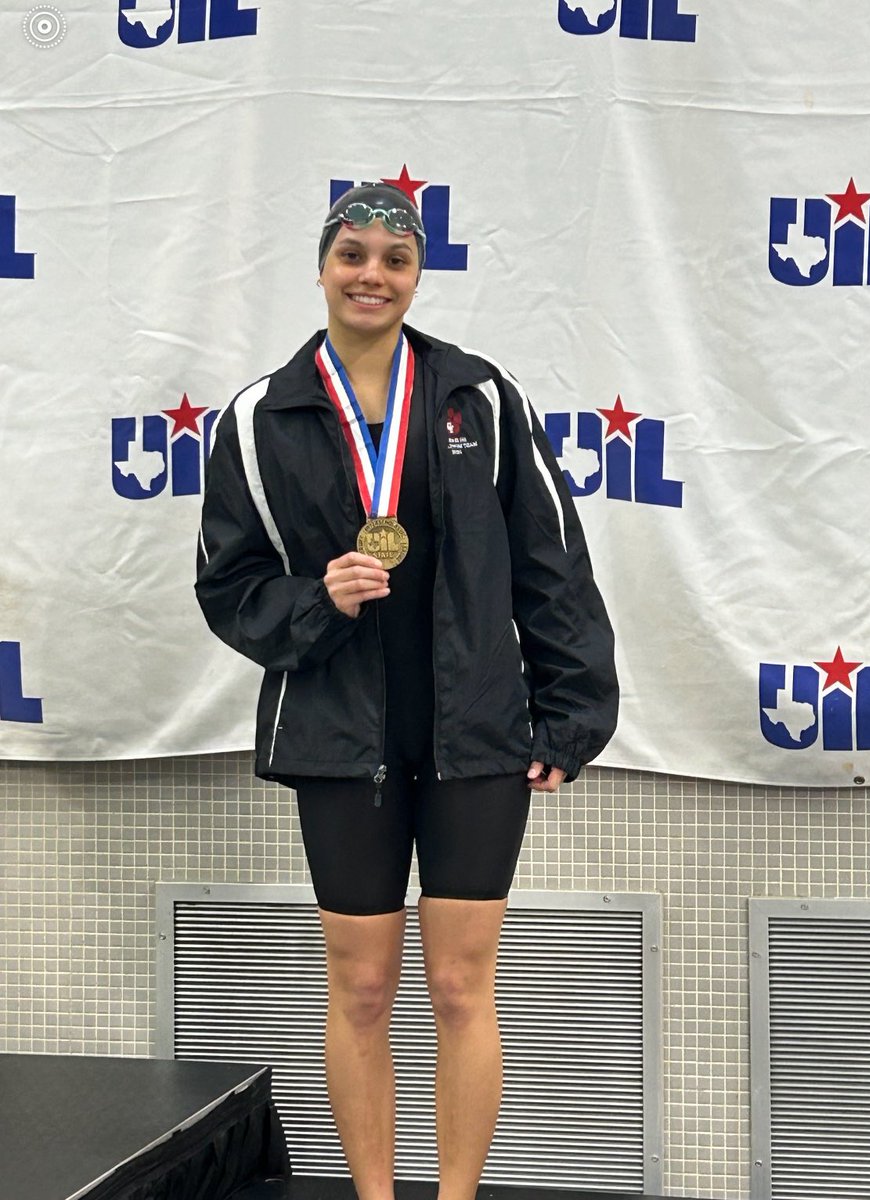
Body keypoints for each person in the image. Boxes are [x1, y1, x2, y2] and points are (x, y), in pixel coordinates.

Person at [195, 182, 618, 1200]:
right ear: (323, 266)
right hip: (341, 736)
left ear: (417, 273)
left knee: (461, 986)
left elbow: (550, 561)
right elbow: (227, 584)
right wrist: (315, 600)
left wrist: (572, 713)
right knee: (364, 986)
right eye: (353, 254)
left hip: (475, 733)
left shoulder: (481, 397)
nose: (371, 275)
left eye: (393, 258)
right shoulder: (261, 417)